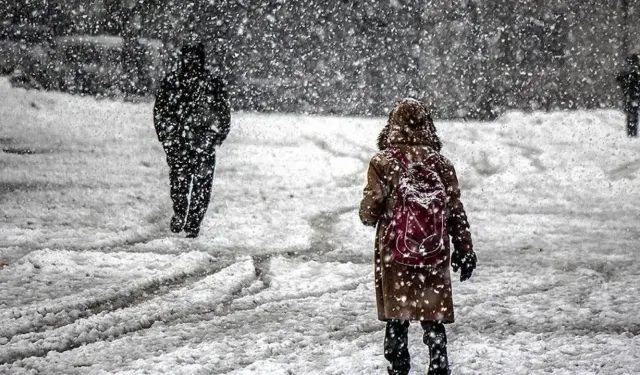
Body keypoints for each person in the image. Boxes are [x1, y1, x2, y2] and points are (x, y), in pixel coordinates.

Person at [359, 98, 476, 375]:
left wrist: (371, 213)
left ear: (392, 126)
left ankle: (398, 365)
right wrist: (464, 249)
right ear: (428, 126)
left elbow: (370, 210)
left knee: (397, 315)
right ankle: (438, 362)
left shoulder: (382, 162)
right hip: (433, 253)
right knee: (431, 313)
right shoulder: (441, 164)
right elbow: (455, 210)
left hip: (395, 251)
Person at [153, 42, 231, 238]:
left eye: (196, 59)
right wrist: (167, 137)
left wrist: (215, 137)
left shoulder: (210, 84)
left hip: (201, 142)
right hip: (180, 142)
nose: (192, 64)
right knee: (180, 183)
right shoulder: (173, 83)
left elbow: (223, 114)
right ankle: (180, 213)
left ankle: (193, 223)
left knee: (200, 187)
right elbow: (160, 112)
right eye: (189, 59)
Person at [616, 54, 640, 137]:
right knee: (632, 113)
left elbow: (620, 78)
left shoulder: (631, 69)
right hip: (632, 93)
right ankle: (632, 132)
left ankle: (631, 132)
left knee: (632, 113)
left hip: (631, 93)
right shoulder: (632, 69)